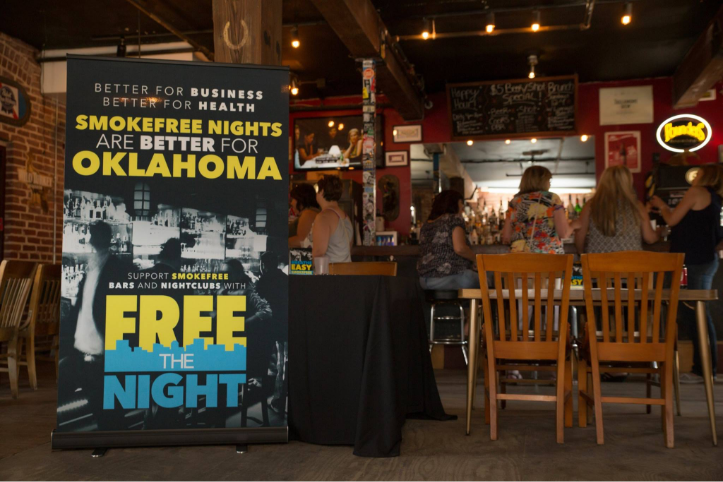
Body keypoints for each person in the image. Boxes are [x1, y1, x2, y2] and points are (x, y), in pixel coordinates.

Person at [650, 164, 723, 384]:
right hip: (703, 260)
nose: (695, 175)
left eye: (699, 172)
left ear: (706, 175)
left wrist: (661, 206)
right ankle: (705, 369)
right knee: (697, 313)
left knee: (696, 314)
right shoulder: (715, 197)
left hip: (694, 261)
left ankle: (703, 370)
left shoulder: (696, 192)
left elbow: (672, 219)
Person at [66, 221, 127, 430]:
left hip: (103, 356)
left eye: (94, 236)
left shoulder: (116, 268)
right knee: (104, 413)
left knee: (110, 415)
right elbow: (82, 308)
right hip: (84, 354)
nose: (92, 240)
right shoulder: (93, 267)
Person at [575, 165, 658, 254]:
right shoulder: (637, 206)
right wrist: (659, 233)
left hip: (597, 262)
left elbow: (579, 234)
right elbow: (650, 238)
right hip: (630, 261)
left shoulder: (591, 205)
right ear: (628, 183)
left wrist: (581, 254)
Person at [502, 166, 578, 253]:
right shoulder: (552, 198)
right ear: (542, 181)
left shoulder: (514, 202)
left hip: (519, 256)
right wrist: (573, 225)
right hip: (547, 255)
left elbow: (506, 237)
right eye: (549, 180)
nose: (550, 184)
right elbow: (563, 233)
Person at [418, 190, 479, 290]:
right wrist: (477, 260)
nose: (463, 207)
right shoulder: (454, 218)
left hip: (425, 281)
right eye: (461, 203)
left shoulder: (426, 224)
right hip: (448, 278)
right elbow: (460, 249)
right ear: (453, 204)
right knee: (488, 279)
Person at [311, 175, 353, 263]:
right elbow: (348, 247)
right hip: (346, 269)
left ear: (322, 191)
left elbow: (319, 253)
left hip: (330, 270)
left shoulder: (324, 217)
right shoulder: (346, 217)